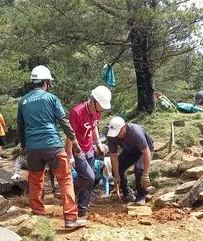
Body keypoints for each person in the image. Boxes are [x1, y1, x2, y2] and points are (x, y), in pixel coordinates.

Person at [17, 65, 87, 229]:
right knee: (65, 179)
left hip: (32, 148)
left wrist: (24, 146)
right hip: (52, 145)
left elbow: (21, 127)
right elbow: (63, 121)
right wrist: (74, 142)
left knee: (35, 181)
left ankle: (38, 216)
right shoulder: (51, 98)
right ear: (46, 82)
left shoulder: (23, 101)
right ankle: (70, 218)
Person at [65, 85, 111, 217]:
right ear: (94, 101)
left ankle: (82, 208)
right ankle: (70, 190)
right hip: (78, 150)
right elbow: (69, 135)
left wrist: (98, 143)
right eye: (101, 105)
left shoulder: (97, 112)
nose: (102, 108)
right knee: (89, 177)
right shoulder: (77, 112)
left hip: (89, 148)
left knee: (88, 180)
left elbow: (94, 126)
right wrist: (70, 156)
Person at [106, 116, 154, 205]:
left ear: (124, 127)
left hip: (144, 150)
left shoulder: (135, 132)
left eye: (118, 132)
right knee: (116, 169)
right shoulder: (111, 135)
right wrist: (116, 175)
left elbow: (146, 152)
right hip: (130, 150)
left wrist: (146, 173)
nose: (116, 135)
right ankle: (128, 194)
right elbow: (113, 156)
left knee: (139, 169)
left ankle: (141, 195)